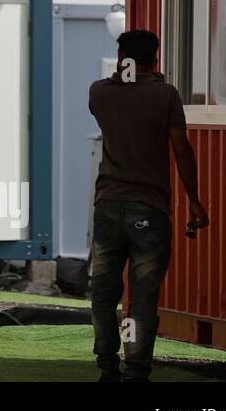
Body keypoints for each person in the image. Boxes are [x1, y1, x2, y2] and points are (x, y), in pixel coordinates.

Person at [88, 29, 209, 382]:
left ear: (122, 57)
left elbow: (116, 97)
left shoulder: (99, 92)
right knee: (142, 298)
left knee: (103, 291)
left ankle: (107, 365)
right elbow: (181, 150)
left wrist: (129, 79)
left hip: (108, 205)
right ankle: (136, 369)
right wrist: (195, 202)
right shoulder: (165, 95)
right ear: (155, 58)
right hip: (149, 210)